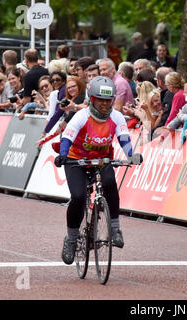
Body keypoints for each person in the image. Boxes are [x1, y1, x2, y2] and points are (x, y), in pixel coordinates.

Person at [54, 76, 135, 265]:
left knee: (109, 184)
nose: (105, 104)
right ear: (92, 99)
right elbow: (67, 138)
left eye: (109, 100)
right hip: (76, 160)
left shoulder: (116, 116)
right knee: (79, 197)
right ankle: (71, 240)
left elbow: (124, 139)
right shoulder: (82, 116)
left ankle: (115, 229)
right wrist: (64, 155)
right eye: (101, 100)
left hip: (101, 159)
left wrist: (131, 154)